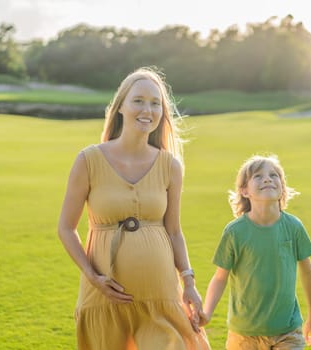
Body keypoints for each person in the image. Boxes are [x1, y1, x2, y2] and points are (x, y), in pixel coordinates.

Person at [58, 66, 210, 350]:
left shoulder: (170, 166)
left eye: (156, 103)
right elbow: (66, 228)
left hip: (161, 297)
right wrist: (93, 277)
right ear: (121, 107)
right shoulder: (88, 160)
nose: (147, 109)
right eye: (138, 100)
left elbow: (174, 231)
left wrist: (188, 283)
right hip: (104, 299)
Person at [200, 155, 311, 349]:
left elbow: (307, 271)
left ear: (282, 188)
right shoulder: (234, 232)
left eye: (274, 175)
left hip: (288, 331)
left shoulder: (294, 227)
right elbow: (220, 277)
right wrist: (207, 312)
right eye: (258, 176)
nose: (267, 179)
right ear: (244, 191)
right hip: (244, 335)